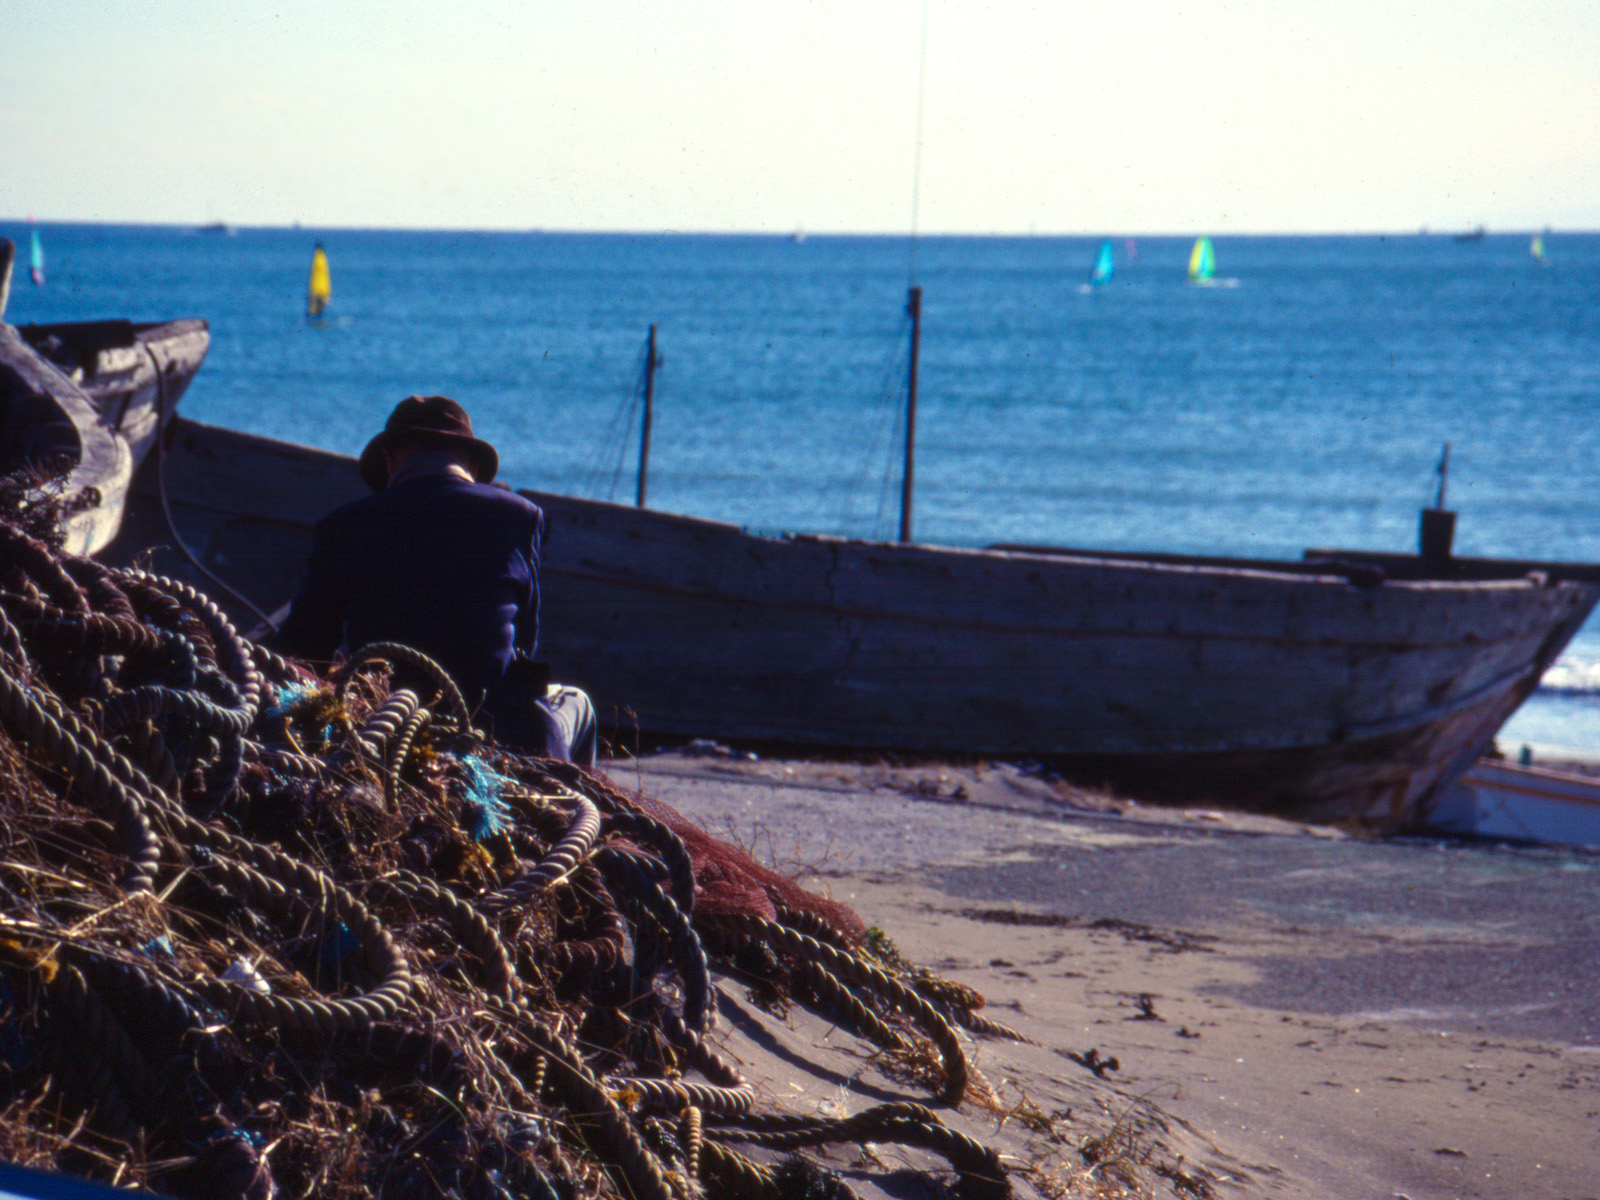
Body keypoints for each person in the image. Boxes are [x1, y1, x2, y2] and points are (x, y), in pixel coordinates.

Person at [272, 395, 597, 766]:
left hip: (386, 723)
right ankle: (578, 792)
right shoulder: (520, 516)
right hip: (495, 728)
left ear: (390, 461)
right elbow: (524, 642)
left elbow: (303, 651)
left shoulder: (343, 525)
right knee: (579, 703)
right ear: (472, 463)